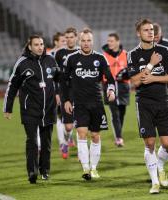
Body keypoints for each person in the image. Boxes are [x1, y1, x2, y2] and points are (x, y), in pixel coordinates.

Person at [127, 19, 168, 194]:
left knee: (167, 144)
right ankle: (155, 182)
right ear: (138, 33)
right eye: (146, 30)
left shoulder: (164, 51)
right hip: (144, 104)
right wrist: (150, 65)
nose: (150, 32)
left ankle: (161, 166)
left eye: (151, 30)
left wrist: (154, 78)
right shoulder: (133, 54)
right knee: (149, 143)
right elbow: (134, 82)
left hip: (163, 102)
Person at [3, 35, 60, 184]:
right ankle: (32, 171)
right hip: (30, 109)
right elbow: (13, 85)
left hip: (48, 108)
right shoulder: (22, 63)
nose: (40, 47)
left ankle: (45, 171)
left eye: (41, 44)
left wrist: (61, 96)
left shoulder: (51, 60)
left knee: (47, 143)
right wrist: (7, 108)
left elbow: (59, 80)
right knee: (32, 142)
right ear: (30, 46)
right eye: (36, 44)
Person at [62, 28, 115, 180]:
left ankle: (94, 168)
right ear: (79, 41)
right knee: (82, 133)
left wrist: (111, 91)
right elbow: (64, 82)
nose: (86, 43)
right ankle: (85, 168)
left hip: (96, 103)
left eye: (89, 40)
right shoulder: (71, 59)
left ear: (93, 41)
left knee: (96, 135)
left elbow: (110, 79)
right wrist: (66, 99)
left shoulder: (100, 58)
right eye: (83, 40)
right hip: (79, 103)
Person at [102, 33, 130, 147]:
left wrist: (125, 74)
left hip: (123, 87)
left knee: (122, 112)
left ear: (118, 42)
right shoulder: (104, 56)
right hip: (109, 87)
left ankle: (119, 133)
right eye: (108, 41)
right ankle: (118, 137)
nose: (110, 43)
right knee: (115, 113)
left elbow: (131, 70)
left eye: (112, 41)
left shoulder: (126, 54)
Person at [55, 27, 79, 159]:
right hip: (65, 92)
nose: (69, 40)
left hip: (79, 92)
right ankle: (64, 142)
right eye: (67, 37)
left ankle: (83, 155)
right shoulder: (59, 54)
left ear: (76, 38)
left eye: (71, 37)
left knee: (81, 124)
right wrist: (57, 92)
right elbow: (57, 75)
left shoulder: (81, 52)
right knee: (69, 126)